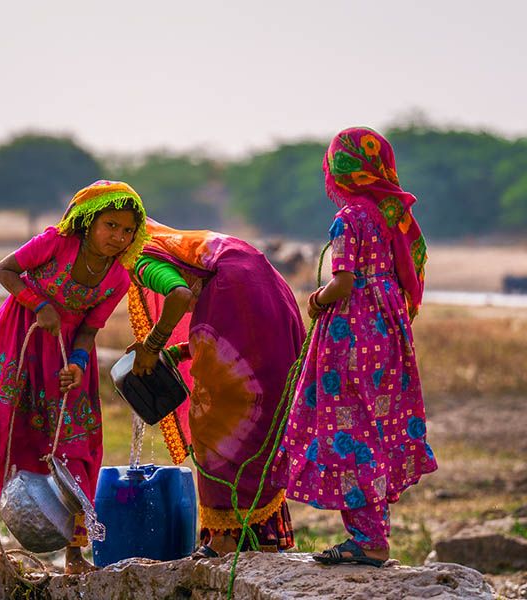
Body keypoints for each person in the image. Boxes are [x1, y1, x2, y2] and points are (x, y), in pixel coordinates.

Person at [0, 180, 149, 574]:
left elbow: (89, 330)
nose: (119, 237)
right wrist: (39, 303)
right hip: (16, 341)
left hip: (62, 361)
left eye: (127, 230)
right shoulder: (55, 244)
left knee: (71, 445)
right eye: (110, 225)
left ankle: (75, 554)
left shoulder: (117, 278)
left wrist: (78, 365)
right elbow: (5, 270)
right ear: (87, 222)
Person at [269, 127, 438, 567]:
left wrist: (314, 299)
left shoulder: (347, 219)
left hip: (350, 337)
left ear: (339, 171)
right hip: (386, 332)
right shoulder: (387, 218)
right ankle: (374, 535)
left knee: (347, 430)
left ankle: (367, 540)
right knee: (376, 428)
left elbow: (342, 283)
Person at [126, 219, 305, 558]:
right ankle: (261, 537)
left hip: (236, 293)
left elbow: (180, 295)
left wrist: (152, 345)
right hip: (270, 297)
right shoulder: (191, 247)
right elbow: (237, 335)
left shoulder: (143, 257)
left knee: (215, 426)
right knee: (260, 417)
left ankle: (224, 538)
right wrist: (179, 351)